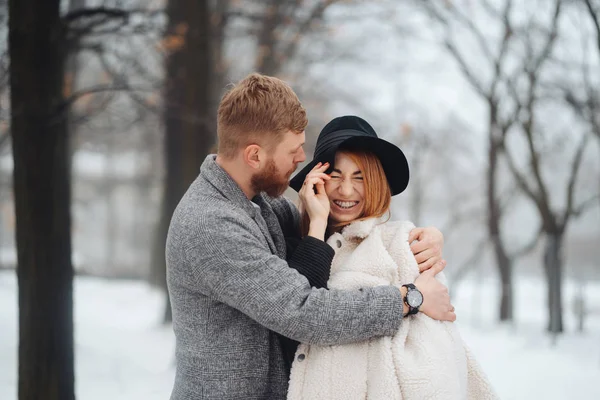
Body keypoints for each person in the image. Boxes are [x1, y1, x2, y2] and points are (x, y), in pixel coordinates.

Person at [165, 73, 455, 399]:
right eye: (294, 150)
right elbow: (305, 312)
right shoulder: (212, 227)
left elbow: (336, 231)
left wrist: (422, 237)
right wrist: (409, 297)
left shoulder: (261, 205)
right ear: (255, 156)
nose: (302, 159)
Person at [287, 115, 497, 400]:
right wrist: (317, 224)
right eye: (334, 175)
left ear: (376, 183)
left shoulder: (403, 244)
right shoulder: (290, 243)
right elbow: (295, 315)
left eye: (359, 177)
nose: (346, 190)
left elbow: (435, 363)